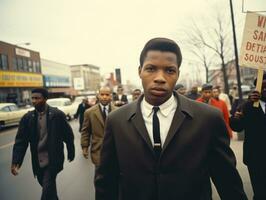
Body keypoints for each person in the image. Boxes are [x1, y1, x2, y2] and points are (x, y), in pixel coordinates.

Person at [95, 37, 247, 200]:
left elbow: (228, 181)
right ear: (140, 71)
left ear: (178, 74)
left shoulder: (208, 118)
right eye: (151, 68)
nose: (160, 77)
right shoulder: (117, 120)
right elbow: (106, 181)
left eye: (169, 70)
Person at [11, 88, 75, 200]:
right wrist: (16, 161)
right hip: (38, 162)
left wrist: (71, 151)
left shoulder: (57, 115)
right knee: (49, 189)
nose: (34, 101)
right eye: (33, 98)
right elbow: (21, 141)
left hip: (53, 160)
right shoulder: (28, 118)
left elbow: (68, 135)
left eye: (37, 98)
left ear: (45, 99)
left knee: (46, 189)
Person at [230, 73, 266, 200]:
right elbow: (236, 126)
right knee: (261, 192)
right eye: (263, 87)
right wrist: (238, 115)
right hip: (256, 158)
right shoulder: (247, 106)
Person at [81, 86, 116, 167]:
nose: (104, 97)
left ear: (111, 96)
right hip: (97, 150)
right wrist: (84, 147)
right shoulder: (89, 112)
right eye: (102, 94)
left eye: (107, 95)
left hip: (114, 150)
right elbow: (85, 131)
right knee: (99, 175)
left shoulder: (118, 111)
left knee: (114, 176)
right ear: (98, 96)